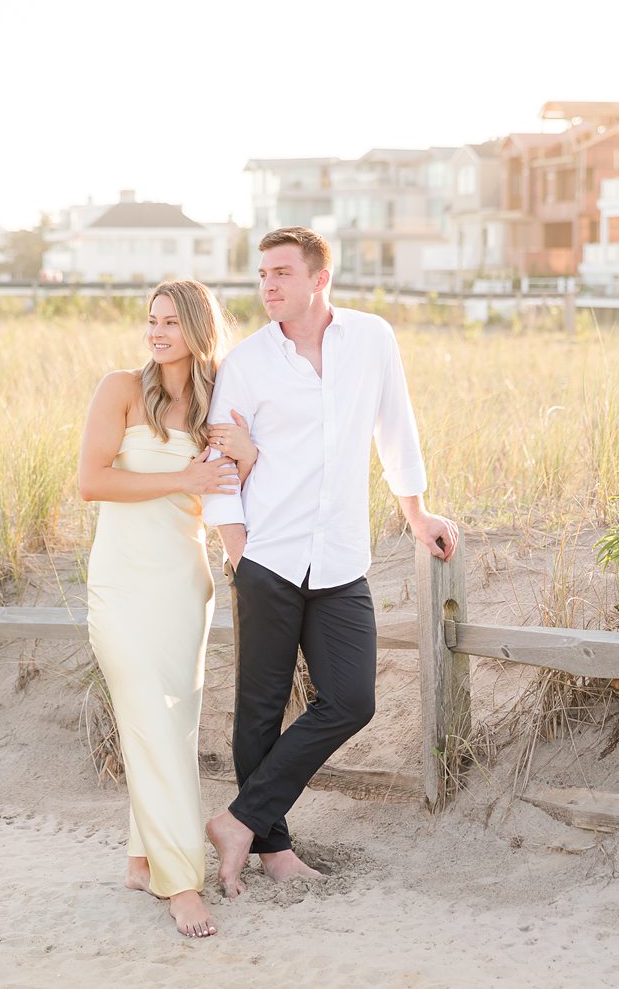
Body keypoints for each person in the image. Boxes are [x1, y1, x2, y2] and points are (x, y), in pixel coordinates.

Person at [202, 227, 459, 898]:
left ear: (320, 278)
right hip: (268, 555)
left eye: (282, 272)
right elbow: (218, 467)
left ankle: (238, 821)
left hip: (341, 559)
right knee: (258, 709)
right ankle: (273, 849)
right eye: (262, 274)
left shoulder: (371, 340)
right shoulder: (248, 362)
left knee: (351, 698)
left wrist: (417, 513)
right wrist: (240, 556)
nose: (268, 285)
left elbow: (395, 428)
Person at [78, 280, 255, 938]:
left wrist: (243, 453)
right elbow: (91, 480)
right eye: (150, 320)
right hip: (121, 583)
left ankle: (139, 857)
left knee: (170, 725)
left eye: (170, 322)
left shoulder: (219, 404)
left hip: (184, 585)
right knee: (151, 716)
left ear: (198, 329)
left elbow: (239, 483)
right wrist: (182, 476)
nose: (155, 332)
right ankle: (181, 881)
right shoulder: (120, 388)